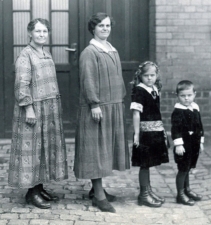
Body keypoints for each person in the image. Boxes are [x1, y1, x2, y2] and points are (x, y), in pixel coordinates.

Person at [8, 18, 68, 209]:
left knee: (44, 149)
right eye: (38, 31)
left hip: (48, 109)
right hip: (33, 110)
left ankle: (39, 186)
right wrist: (28, 108)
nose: (42, 35)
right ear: (30, 33)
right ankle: (31, 192)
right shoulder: (25, 55)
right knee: (32, 149)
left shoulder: (45, 53)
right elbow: (21, 85)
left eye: (45, 32)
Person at [74, 12, 130, 213]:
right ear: (93, 29)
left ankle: (97, 190)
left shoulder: (111, 50)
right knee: (95, 152)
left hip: (112, 105)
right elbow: (88, 80)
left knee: (106, 150)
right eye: (101, 26)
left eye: (107, 26)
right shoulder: (90, 52)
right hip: (97, 108)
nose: (105, 29)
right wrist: (94, 104)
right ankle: (98, 196)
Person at [130, 61, 169, 207]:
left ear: (156, 75)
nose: (150, 78)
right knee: (144, 163)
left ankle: (148, 190)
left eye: (152, 75)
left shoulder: (154, 88)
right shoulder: (139, 91)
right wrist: (136, 134)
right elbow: (136, 113)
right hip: (144, 133)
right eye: (146, 76)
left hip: (155, 131)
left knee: (150, 162)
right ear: (140, 76)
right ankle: (143, 194)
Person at [171, 80, 204, 206]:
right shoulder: (178, 112)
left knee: (189, 167)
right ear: (177, 96)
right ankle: (180, 194)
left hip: (193, 143)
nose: (186, 98)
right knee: (183, 169)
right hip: (183, 145)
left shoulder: (195, 108)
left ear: (194, 94)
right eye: (182, 96)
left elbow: (199, 125)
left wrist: (200, 141)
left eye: (189, 95)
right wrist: (178, 144)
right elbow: (176, 129)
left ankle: (187, 190)